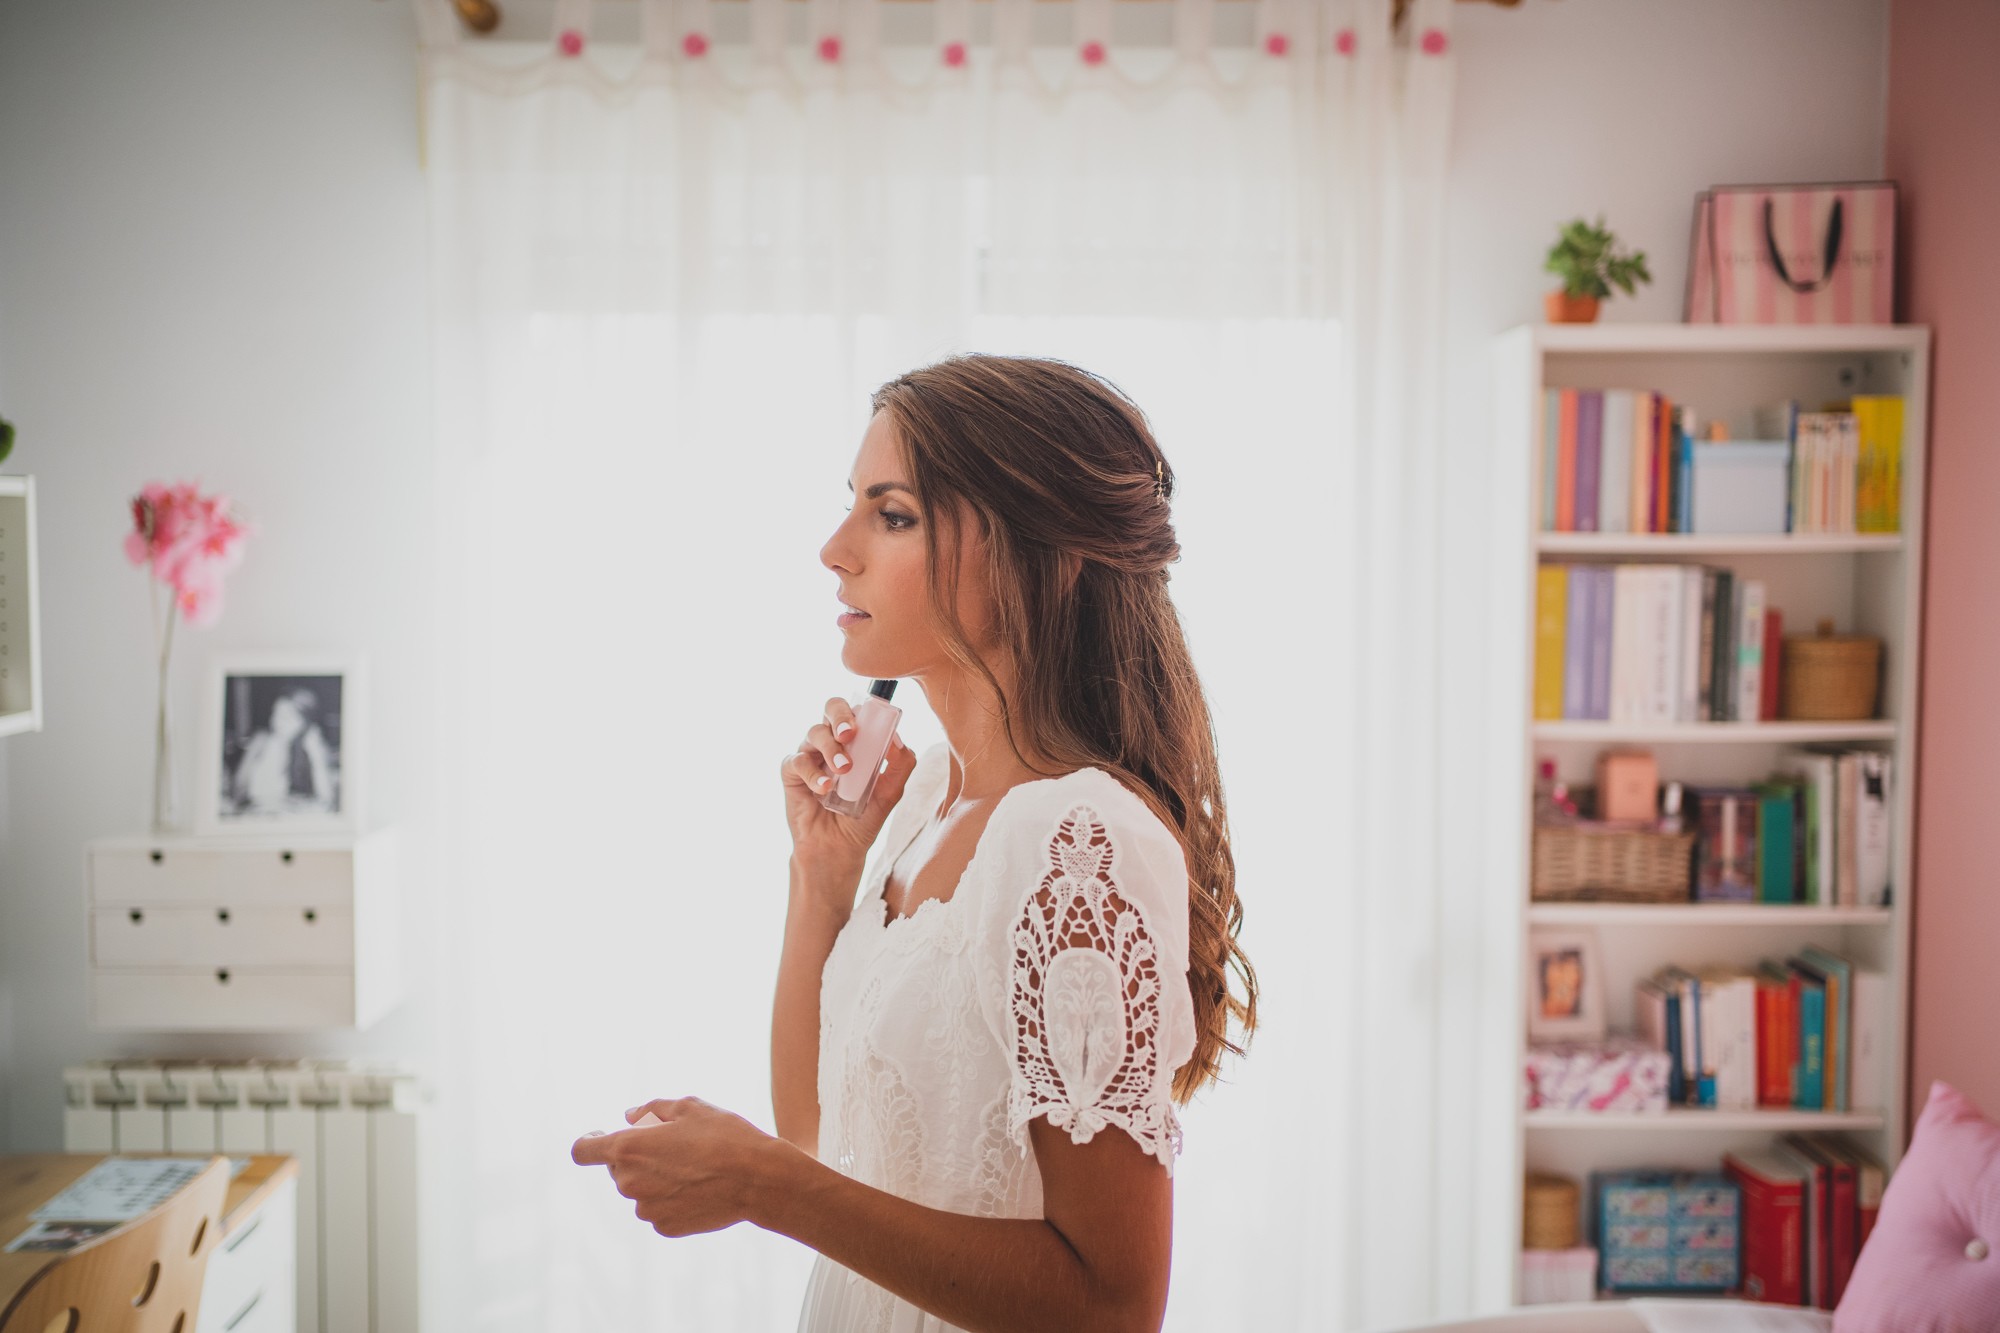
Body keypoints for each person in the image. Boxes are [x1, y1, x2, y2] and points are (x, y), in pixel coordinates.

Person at [572, 353, 1257, 1333]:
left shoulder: (1073, 838)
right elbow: (822, 1143)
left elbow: (1111, 1307)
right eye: (852, 503)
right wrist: (820, 882)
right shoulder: (931, 795)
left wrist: (761, 1186)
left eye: (891, 514)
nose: (833, 549)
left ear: (1037, 550)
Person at [226, 687, 334, 815]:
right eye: (276, 713)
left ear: (304, 722)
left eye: (287, 716)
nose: (277, 721)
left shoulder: (307, 749)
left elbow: (327, 798)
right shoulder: (261, 741)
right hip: (257, 813)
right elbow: (237, 790)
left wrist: (315, 751)